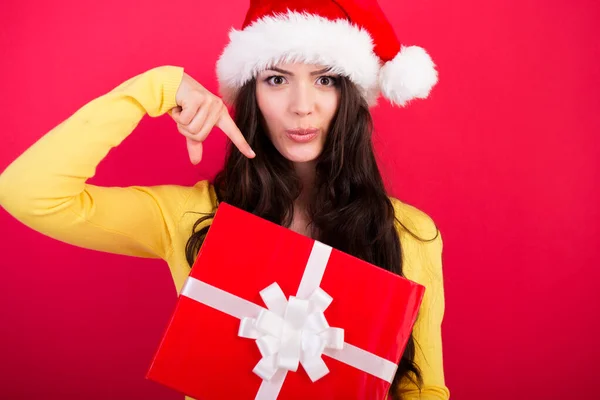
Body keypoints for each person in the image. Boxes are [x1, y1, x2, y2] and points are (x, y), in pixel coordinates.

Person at [0, 1, 449, 399]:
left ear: (351, 94)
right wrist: (156, 88)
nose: (301, 105)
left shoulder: (410, 235)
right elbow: (28, 193)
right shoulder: (192, 216)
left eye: (325, 79)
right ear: (250, 93)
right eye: (276, 79)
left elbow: (423, 389)